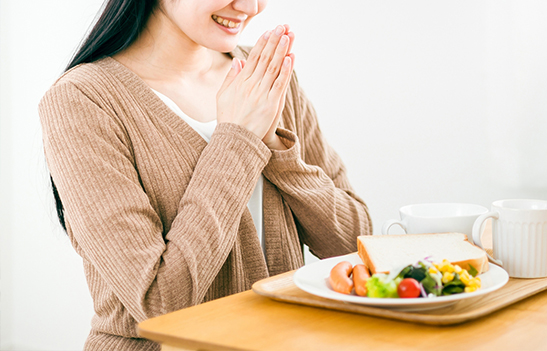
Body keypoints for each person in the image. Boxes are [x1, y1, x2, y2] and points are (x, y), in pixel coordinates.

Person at [38, 0, 372, 349]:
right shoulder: (82, 100)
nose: (252, 6)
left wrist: (273, 142)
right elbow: (160, 302)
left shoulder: (263, 76)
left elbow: (356, 245)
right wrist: (239, 138)